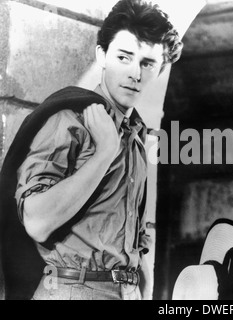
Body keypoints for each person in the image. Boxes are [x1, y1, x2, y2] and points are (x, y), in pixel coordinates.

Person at [0, 0, 182, 300]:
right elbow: (37, 223)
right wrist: (104, 152)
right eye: (124, 57)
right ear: (102, 55)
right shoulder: (70, 119)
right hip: (71, 290)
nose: (135, 73)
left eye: (147, 63)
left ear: (161, 68)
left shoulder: (136, 133)